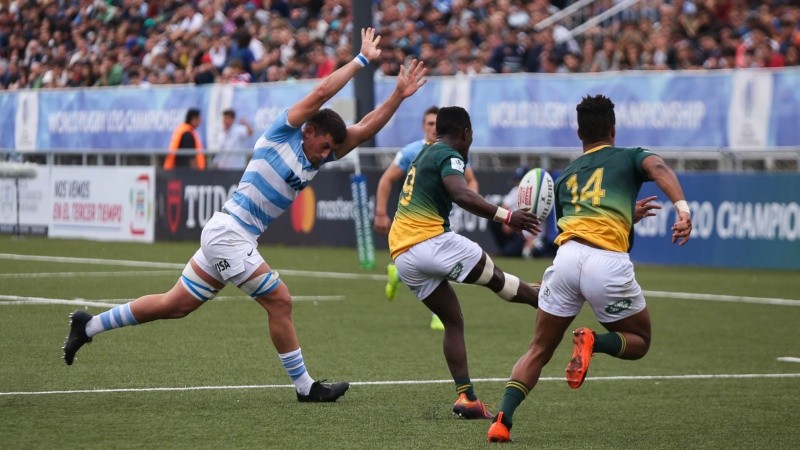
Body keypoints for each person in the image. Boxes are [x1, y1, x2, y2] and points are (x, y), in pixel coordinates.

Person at [62, 28, 428, 403]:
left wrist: (398, 95)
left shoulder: (317, 155)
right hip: (229, 233)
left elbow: (363, 130)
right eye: (323, 146)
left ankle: (87, 326)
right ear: (309, 130)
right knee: (281, 302)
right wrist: (362, 60)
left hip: (232, 235)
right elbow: (320, 93)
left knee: (175, 305)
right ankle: (306, 388)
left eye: (331, 150)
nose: (325, 154)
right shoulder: (280, 134)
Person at [487, 94, 693, 443]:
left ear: (579, 133)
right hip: (607, 263)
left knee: (538, 348)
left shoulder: (567, 176)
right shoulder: (628, 156)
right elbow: (659, 169)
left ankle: (501, 421)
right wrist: (683, 209)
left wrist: (629, 214)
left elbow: (585, 224)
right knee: (640, 341)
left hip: (566, 260)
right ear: (613, 129)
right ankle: (593, 341)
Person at [388, 106, 542, 419]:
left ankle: (467, 398)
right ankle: (544, 298)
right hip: (432, 242)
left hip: (403, 254)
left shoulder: (426, 151)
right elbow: (461, 193)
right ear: (465, 133)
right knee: (497, 280)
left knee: (453, 320)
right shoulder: (449, 153)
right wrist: (507, 215)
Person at [374, 106, 479, 331]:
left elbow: (470, 179)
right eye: (429, 124)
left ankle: (397, 273)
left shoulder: (453, 152)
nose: (433, 128)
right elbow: (386, 179)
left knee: (437, 261)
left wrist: (472, 199)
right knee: (437, 263)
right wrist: (381, 212)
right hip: (419, 222)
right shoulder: (412, 151)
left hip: (447, 217)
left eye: (436, 124)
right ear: (424, 127)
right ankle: (438, 315)